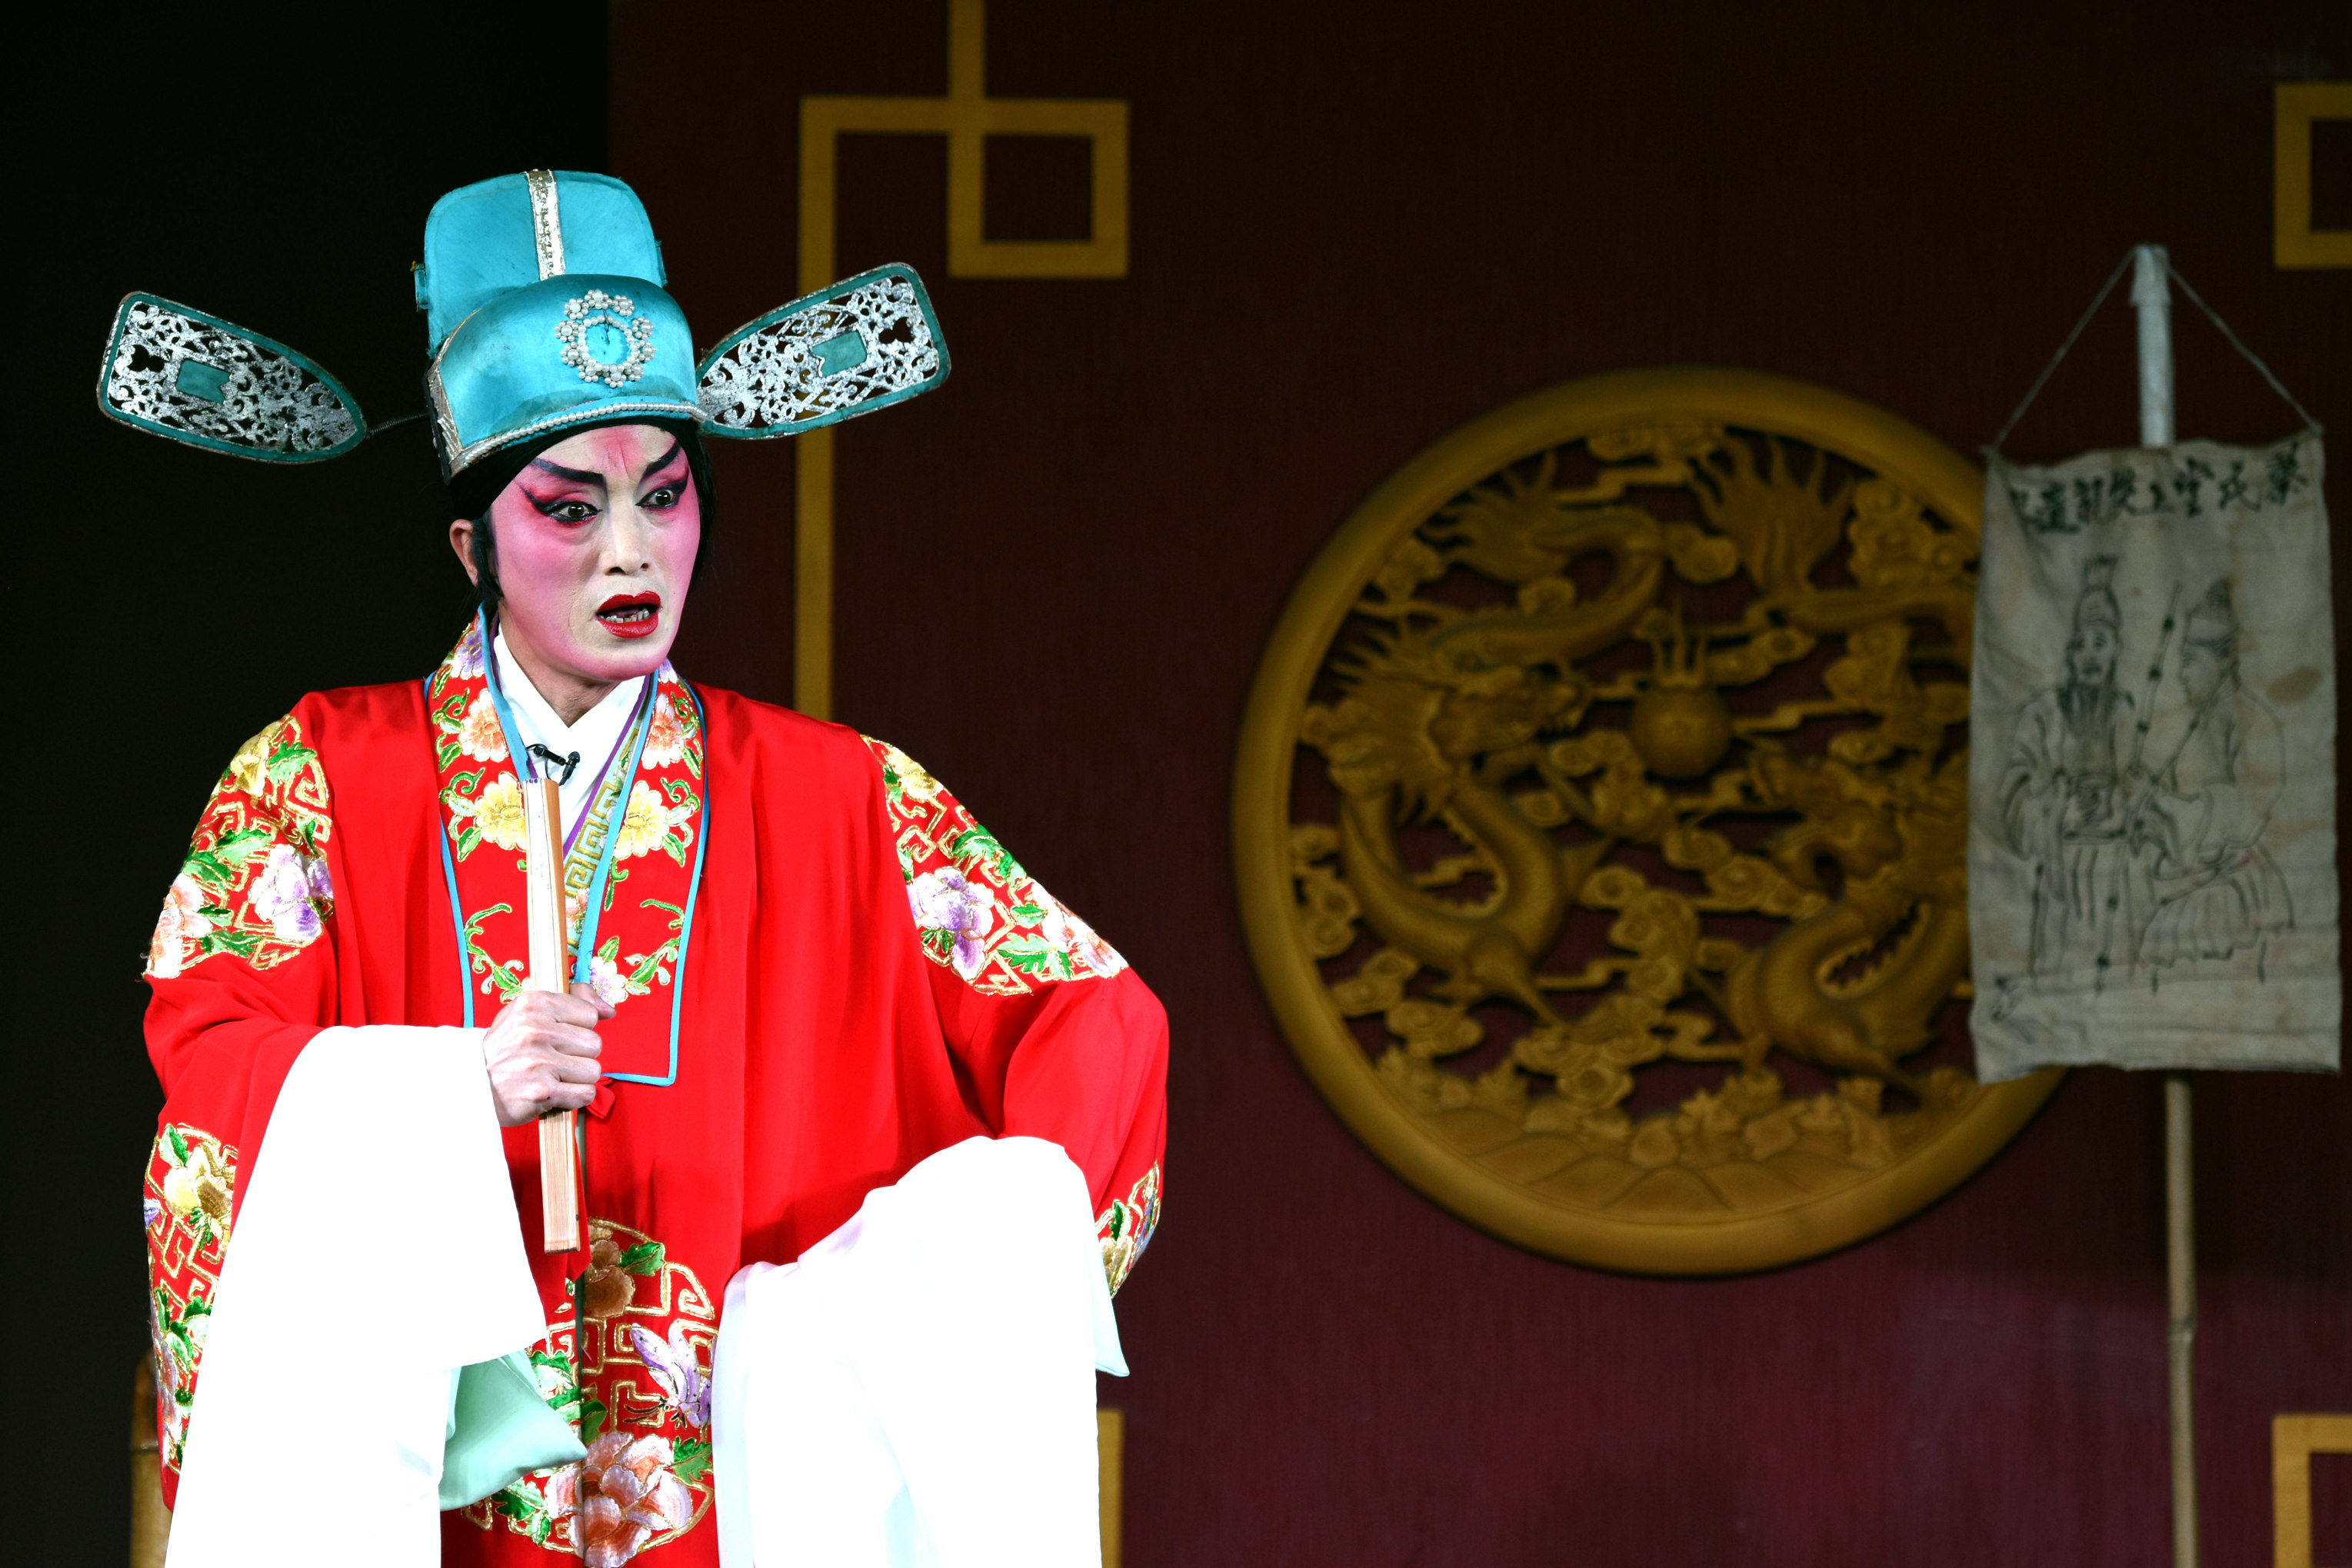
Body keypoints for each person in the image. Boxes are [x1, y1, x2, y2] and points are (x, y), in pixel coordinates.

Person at [133, 171, 1167, 1566]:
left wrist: (923, 1290)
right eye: (570, 509)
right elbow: (211, 1071)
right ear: (471, 543)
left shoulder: (847, 798)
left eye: (664, 496)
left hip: (754, 1499)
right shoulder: (311, 779)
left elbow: (1094, 1023)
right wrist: (448, 1089)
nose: (632, 552)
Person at [1997, 556, 2150, 980]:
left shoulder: (2128, 713)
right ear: (2067, 653)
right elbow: (2015, 793)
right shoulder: (2043, 715)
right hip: (2061, 872)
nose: (2088, 656)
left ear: (2116, 649)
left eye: (2099, 644)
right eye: (2079, 645)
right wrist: (2059, 805)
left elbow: (2149, 789)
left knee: (2119, 974)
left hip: (2117, 874)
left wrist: (2120, 801)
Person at [2134, 580, 2293, 971]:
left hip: (2233, 888)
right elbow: (2172, 805)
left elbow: (2245, 812)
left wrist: (2165, 807)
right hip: (2191, 884)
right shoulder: (2195, 728)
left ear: (2221, 662)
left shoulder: (2253, 722)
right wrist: (2148, 804)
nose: (2181, 675)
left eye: (2190, 662)